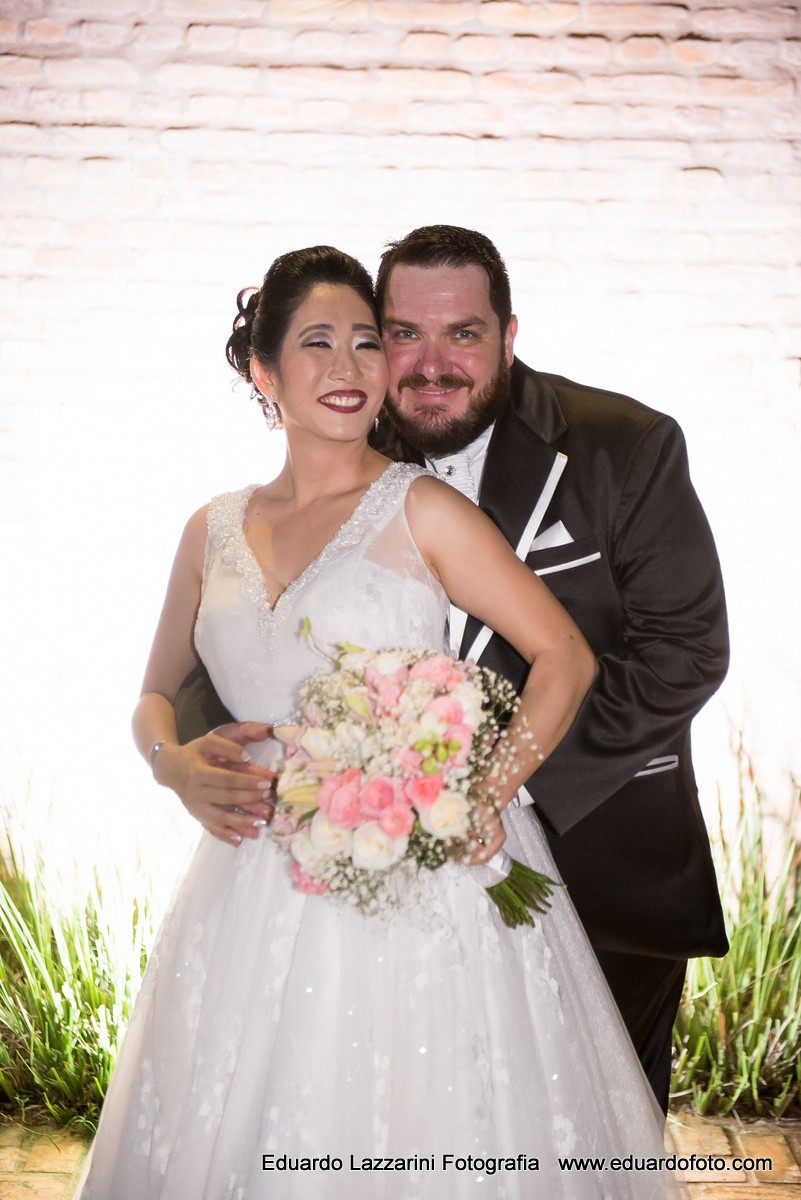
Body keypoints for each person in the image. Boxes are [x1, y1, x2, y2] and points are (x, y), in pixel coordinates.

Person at [80, 246, 677, 1199]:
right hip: (249, 874)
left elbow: (564, 657)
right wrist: (174, 765)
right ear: (263, 372)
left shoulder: (421, 508)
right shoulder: (211, 530)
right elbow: (154, 693)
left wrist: (487, 790)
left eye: (367, 341)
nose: (351, 366)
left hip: (420, 870)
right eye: (317, 343)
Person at [174, 227, 730, 1116]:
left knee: (593, 1136)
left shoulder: (623, 445)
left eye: (462, 335)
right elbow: (261, 625)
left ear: (507, 335)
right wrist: (203, 757)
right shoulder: (345, 433)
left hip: (600, 852)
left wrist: (486, 780)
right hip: (368, 873)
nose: (430, 365)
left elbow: (683, 651)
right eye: (403, 334)